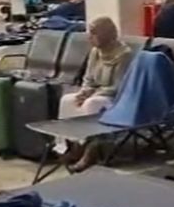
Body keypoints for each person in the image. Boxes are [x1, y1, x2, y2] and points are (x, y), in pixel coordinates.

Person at [57, 17, 133, 171]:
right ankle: (68, 146)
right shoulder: (95, 52)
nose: (89, 37)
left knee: (91, 104)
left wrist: (92, 94)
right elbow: (88, 78)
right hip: (95, 93)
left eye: (93, 34)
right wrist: (84, 91)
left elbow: (119, 86)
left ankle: (89, 152)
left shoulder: (124, 54)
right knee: (67, 100)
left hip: (114, 98)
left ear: (106, 34)